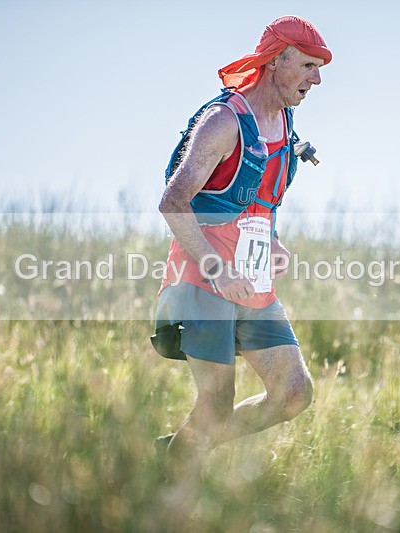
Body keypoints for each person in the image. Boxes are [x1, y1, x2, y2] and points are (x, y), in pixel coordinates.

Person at [152, 15, 331, 524]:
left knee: (294, 394)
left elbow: (253, 201)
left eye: (319, 69)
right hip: (203, 284)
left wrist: (272, 242)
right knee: (215, 403)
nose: (316, 79)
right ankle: (171, 509)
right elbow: (174, 202)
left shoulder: (287, 124)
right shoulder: (225, 122)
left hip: (253, 286)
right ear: (276, 59)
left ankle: (183, 449)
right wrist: (213, 266)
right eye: (308, 65)